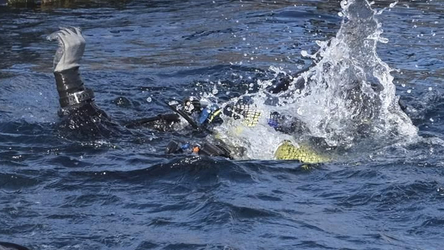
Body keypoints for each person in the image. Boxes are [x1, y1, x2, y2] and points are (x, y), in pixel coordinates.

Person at [49, 27, 329, 163]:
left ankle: (69, 82)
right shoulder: (299, 118)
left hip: (211, 147)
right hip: (213, 130)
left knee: (107, 137)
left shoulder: (292, 145)